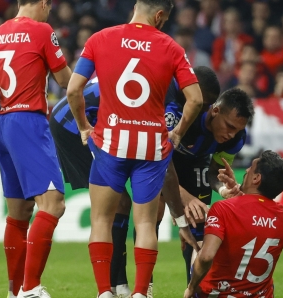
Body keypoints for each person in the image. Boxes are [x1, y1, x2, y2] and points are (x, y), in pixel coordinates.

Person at [66, 0, 203, 297]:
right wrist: (177, 132)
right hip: (151, 146)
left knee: (101, 219)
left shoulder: (99, 39)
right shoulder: (171, 47)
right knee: (144, 223)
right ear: (159, 15)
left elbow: (73, 89)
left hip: (111, 142)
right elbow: (196, 99)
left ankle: (105, 292)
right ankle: (141, 292)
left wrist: (83, 127)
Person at [50, 67, 218, 297]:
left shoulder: (162, 85)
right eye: (203, 104)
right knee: (114, 206)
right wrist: (182, 214)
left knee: (121, 204)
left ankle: (119, 286)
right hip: (72, 124)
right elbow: (164, 164)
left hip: (87, 118)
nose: (202, 109)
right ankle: (113, 288)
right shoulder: (161, 97)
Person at [0, 1, 72, 298]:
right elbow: (65, 81)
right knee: (54, 204)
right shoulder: (42, 31)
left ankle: (14, 291)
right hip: (29, 122)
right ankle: (31, 288)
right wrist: (97, 88)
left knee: (20, 214)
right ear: (44, 4)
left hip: (4, 124)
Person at [166, 87, 253, 285]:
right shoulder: (187, 117)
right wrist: (184, 197)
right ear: (215, 111)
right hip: (162, 163)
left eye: (237, 130)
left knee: (198, 221)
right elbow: (156, 163)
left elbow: (214, 172)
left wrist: (224, 189)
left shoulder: (236, 139)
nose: (231, 135)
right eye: (229, 126)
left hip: (196, 167)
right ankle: (144, 290)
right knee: (150, 217)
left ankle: (194, 289)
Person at [184, 150, 283, 298]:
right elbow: (256, 214)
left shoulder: (222, 208)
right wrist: (241, 194)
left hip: (217, 294)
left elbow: (206, 257)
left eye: (251, 168)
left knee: (197, 240)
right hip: (258, 295)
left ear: (256, 178)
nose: (247, 170)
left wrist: (191, 287)